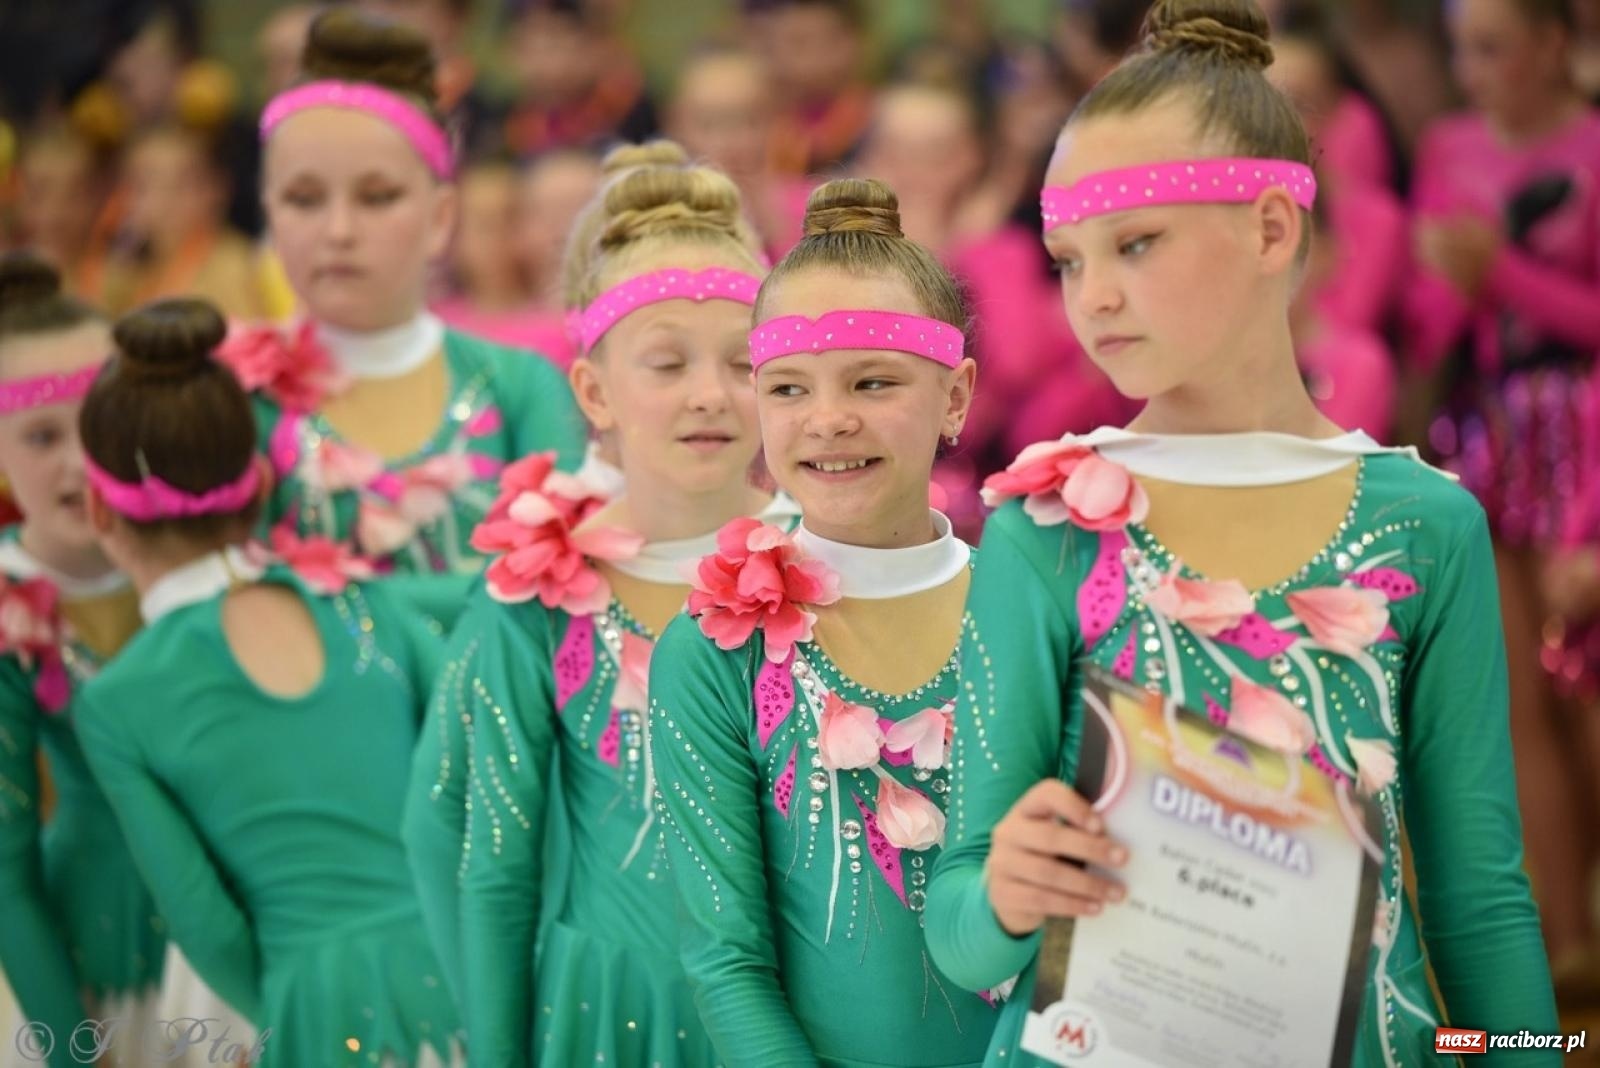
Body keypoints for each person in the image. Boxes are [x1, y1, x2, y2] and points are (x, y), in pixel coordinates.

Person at [924, 2, 1558, 1064]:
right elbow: (956, 928)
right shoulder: (1043, 525)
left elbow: (1479, 902)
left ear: (1270, 227)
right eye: (1069, 260)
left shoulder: (1425, 523)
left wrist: (1516, 1053)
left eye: (1135, 243)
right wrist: (1001, 889)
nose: (1097, 295)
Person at [450, 144, 800, 1067]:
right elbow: (495, 868)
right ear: (595, 391)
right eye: (666, 363)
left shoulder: (825, 560)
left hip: (794, 1010)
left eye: (741, 362)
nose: (709, 396)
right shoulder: (539, 590)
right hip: (609, 1015)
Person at [649, 177, 1000, 1066]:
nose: (828, 419)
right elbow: (726, 960)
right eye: (789, 389)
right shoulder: (712, 652)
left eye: (873, 381)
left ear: (955, 397)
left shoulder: (1025, 618)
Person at [75, 297, 462, 1068]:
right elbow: (475, 777)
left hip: (315, 1003)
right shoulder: (364, 603)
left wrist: (299, 1002)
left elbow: (206, 924)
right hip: (471, 973)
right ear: (258, 484)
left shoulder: (116, 702)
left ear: (98, 511)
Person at [236, 8, 586, 625]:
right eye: (304, 199)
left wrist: (328, 601)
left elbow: (565, 594)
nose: (339, 231)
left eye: (378, 197)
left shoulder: (519, 385)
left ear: (442, 217)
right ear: (269, 211)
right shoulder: (236, 396)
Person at [1405, 0, 1600, 996]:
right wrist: (1449, 285)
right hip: (1491, 436)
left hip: (1589, 432)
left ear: (1554, 42)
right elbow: (1436, 319)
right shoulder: (1447, 146)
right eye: (1458, 52)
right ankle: (1563, 955)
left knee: (1587, 702)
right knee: (1514, 700)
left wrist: (1505, 273)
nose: (1470, 72)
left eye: (1491, 48)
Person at [0, 253, 164, 1066]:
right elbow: (5, 870)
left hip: (254, 961)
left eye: (98, 422)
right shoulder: (7, 604)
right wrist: (70, 1048)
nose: (79, 459)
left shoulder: (200, 550)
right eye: (40, 436)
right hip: (101, 973)